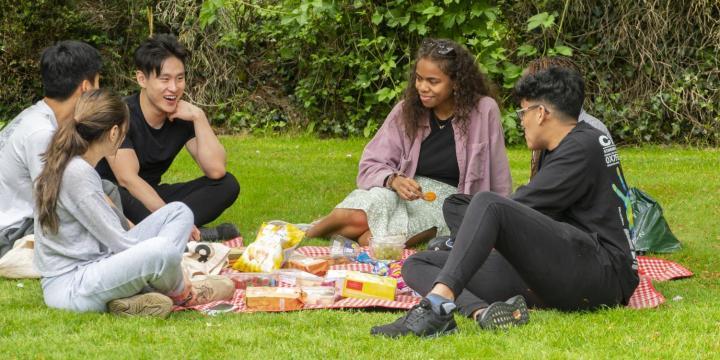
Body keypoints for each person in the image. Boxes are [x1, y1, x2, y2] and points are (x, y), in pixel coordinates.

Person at [371, 67, 639, 338]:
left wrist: (482, 234)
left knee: (488, 206)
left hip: (601, 274)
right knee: (418, 264)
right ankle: (481, 312)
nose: (521, 122)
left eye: (523, 113)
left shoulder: (584, 146)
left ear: (541, 113)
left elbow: (521, 207)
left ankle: (436, 307)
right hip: (565, 268)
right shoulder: (569, 143)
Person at [34, 89, 235, 317]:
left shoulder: (77, 164)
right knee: (162, 250)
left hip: (96, 268)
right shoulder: (77, 173)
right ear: (113, 133)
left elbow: (117, 241)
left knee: (179, 212)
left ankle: (139, 293)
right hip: (73, 287)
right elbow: (120, 243)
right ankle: (184, 292)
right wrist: (168, 262)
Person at [304, 38, 511, 246]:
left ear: (456, 82)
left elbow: (499, 175)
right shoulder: (407, 110)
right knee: (352, 216)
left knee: (372, 240)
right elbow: (371, 162)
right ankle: (302, 237)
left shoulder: (484, 110)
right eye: (419, 79)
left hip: (448, 203)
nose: (422, 87)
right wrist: (393, 180)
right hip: (402, 191)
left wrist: (501, 225)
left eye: (433, 81)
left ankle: (323, 235)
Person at [96, 33, 239, 242]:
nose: (174, 88)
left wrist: (199, 117)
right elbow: (128, 179)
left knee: (227, 185)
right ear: (142, 79)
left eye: (180, 78)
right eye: (165, 79)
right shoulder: (120, 114)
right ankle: (186, 231)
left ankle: (171, 231)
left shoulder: (182, 115)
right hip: (116, 197)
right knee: (122, 197)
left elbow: (216, 170)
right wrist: (172, 216)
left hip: (153, 196)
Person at [0, 40, 129, 258]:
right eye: (98, 83)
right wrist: (134, 234)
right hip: (14, 232)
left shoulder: (37, 118)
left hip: (21, 221)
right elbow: (71, 194)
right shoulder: (42, 133)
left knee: (105, 188)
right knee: (99, 195)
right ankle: (120, 249)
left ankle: (121, 244)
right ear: (86, 87)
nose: (98, 91)